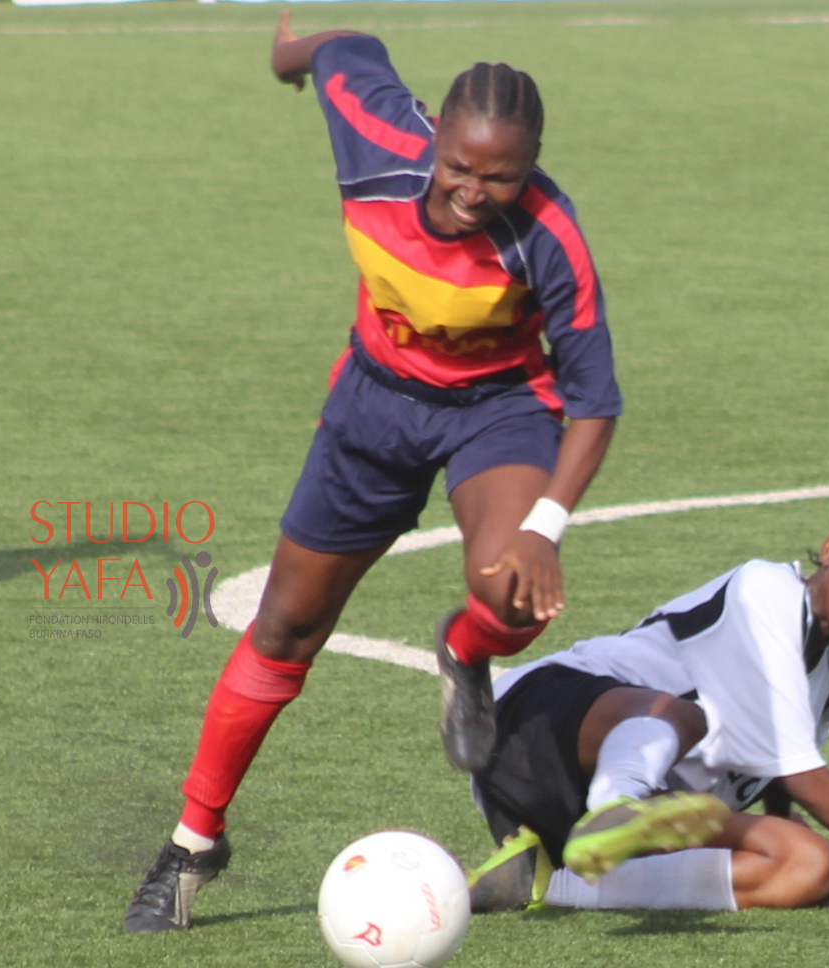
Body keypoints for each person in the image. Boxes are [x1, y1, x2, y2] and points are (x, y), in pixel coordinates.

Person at [123, 12, 621, 933]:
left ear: (536, 161)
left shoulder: (550, 235)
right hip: (372, 405)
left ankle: (467, 647)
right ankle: (194, 841)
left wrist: (546, 526)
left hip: (498, 409)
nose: (476, 190)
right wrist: (286, 56)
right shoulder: (374, 131)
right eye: (461, 167)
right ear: (434, 138)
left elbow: (595, 403)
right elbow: (335, 42)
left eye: (502, 175)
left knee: (513, 595)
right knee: (285, 627)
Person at [466, 498, 829, 913]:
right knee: (682, 713)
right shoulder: (766, 588)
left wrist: (778, 836)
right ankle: (619, 806)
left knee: (812, 866)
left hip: (612, 817)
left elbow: (776, 776)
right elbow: (800, 770)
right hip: (534, 732)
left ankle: (550, 882)